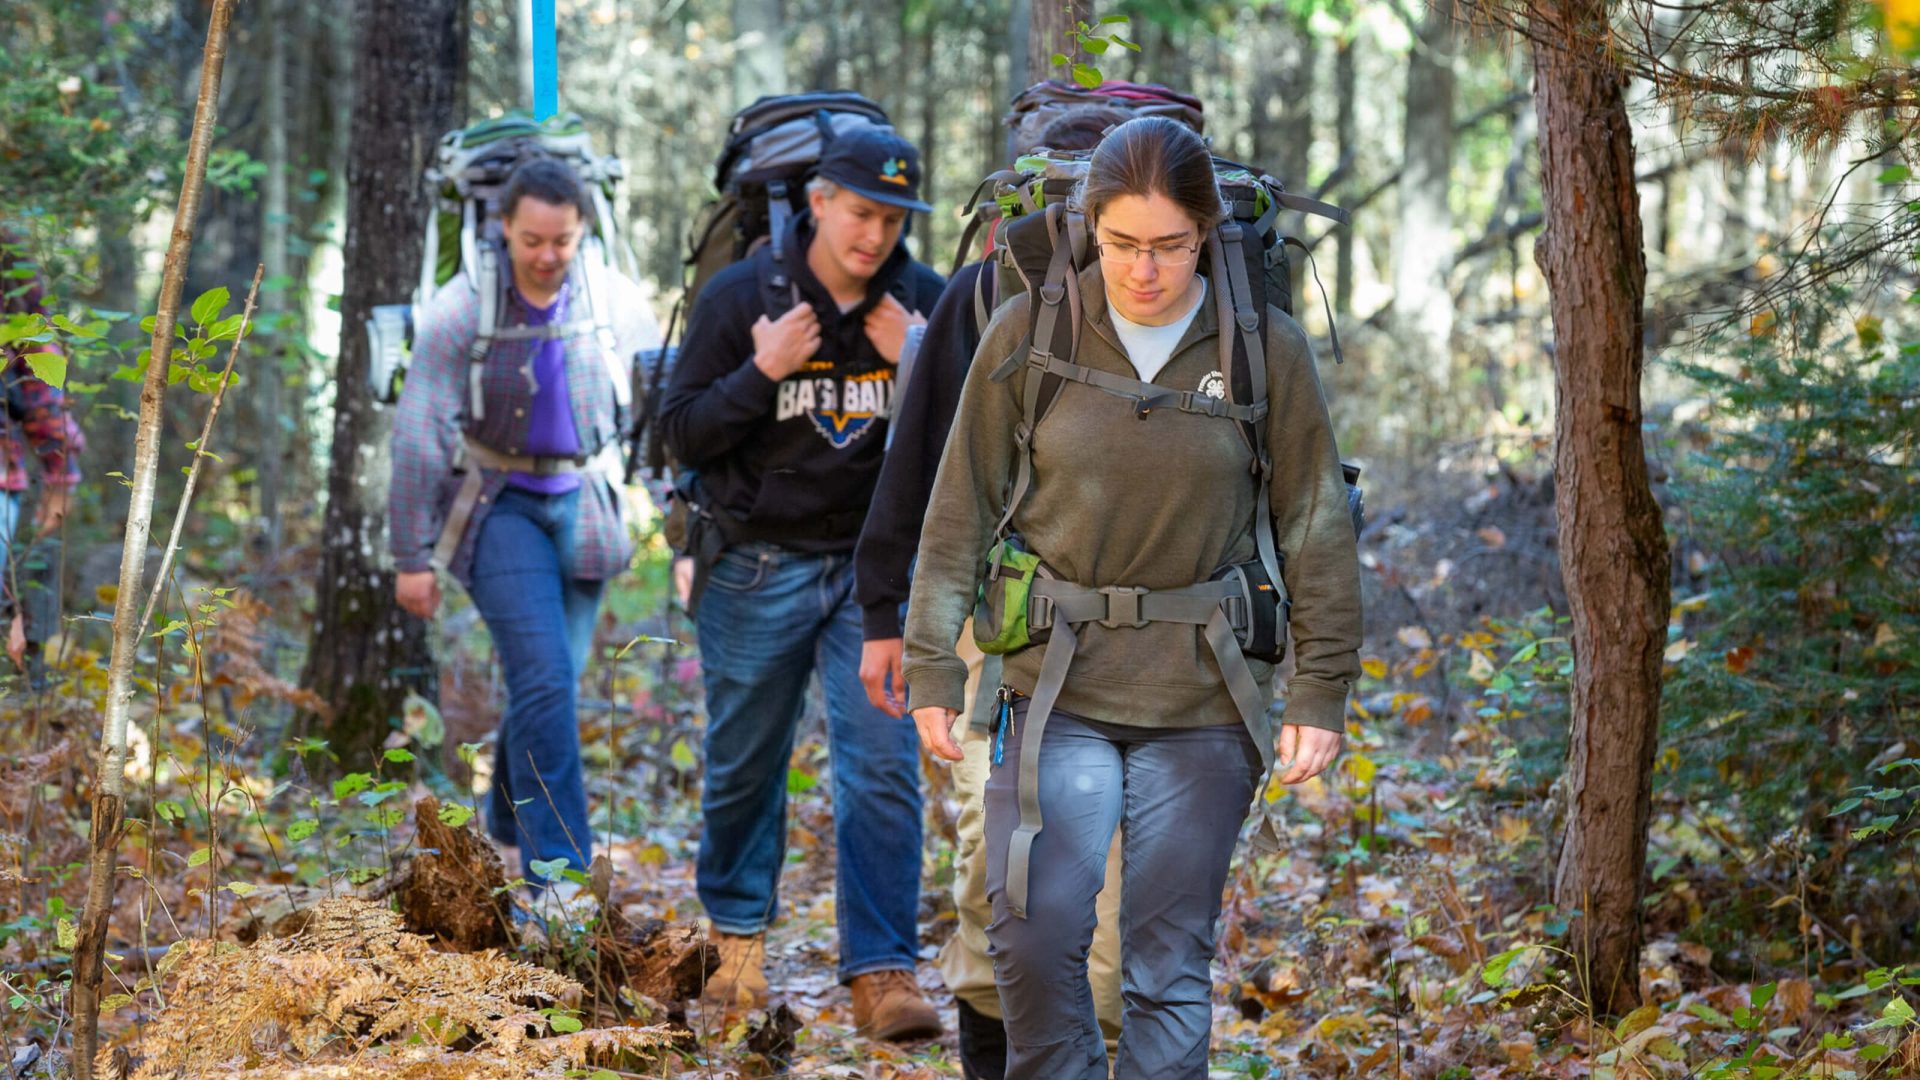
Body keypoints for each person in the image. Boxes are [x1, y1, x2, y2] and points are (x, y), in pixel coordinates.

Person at [902, 117, 1363, 1078]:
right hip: (1053, 686)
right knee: (1031, 942)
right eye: (1122, 244)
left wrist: (1322, 691)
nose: (1144, 269)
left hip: (1203, 694)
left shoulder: (1260, 347)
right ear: (1088, 227)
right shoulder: (1030, 333)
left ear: (1205, 233)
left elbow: (1317, 526)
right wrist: (932, 661)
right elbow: (959, 510)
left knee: (1163, 963)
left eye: (1168, 245)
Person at [851, 101, 1134, 1079]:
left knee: (1103, 887)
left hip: (1149, 633)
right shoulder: (981, 298)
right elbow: (922, 465)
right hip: (1000, 621)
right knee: (993, 860)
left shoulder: (1193, 313)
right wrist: (889, 618)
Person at [657, 125, 947, 1040]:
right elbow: (680, 433)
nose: (876, 235)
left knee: (882, 771)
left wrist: (922, 366)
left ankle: (883, 971)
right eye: (861, 212)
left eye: (895, 218)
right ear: (818, 202)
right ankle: (737, 943)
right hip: (754, 566)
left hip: (875, 583)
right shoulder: (741, 295)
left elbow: (969, 453)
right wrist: (761, 371)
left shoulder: (925, 305)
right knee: (746, 764)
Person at [389, 157, 659, 894]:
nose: (546, 256)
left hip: (586, 501)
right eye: (532, 239)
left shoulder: (611, 302)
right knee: (544, 676)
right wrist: (409, 554)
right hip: (496, 504)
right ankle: (562, 881)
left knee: (554, 682)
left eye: (562, 241)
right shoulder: (461, 308)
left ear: (583, 233)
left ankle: (506, 817)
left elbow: (655, 414)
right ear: (504, 227)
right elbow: (417, 431)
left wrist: (684, 522)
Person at [2, 233, 82, 680]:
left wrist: (60, 475)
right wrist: (61, 474)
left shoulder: (18, 312)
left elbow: (41, 396)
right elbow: (43, 401)